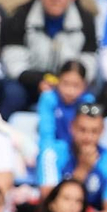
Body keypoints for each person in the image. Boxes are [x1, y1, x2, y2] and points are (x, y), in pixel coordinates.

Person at [0, 0, 97, 119]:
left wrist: (67, 84)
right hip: (29, 84)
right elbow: (13, 61)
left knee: (90, 97)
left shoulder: (86, 21)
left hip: (70, 86)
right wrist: (38, 81)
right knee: (12, 93)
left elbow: (90, 61)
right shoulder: (20, 16)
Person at [34, 60, 92, 189]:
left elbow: (89, 134)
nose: (70, 91)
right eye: (65, 84)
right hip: (54, 149)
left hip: (78, 151)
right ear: (58, 81)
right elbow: (46, 134)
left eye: (76, 85)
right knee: (47, 154)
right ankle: (49, 192)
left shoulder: (88, 102)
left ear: (84, 85)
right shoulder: (48, 98)